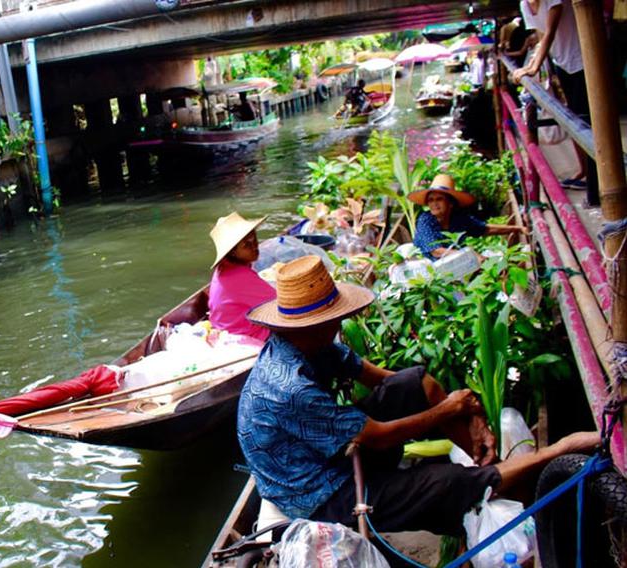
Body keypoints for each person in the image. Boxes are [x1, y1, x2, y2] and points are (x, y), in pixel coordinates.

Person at [236, 254, 599, 537]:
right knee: (446, 482)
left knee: (417, 383)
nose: (340, 323)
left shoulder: (314, 343)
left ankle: (490, 468)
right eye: (334, 317)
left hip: (329, 453)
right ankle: (561, 449)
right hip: (316, 493)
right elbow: (376, 437)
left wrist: (466, 410)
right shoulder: (289, 387)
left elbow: (384, 378)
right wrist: (447, 410)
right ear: (313, 323)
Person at [513, 0, 598, 203]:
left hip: (582, 57)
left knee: (587, 122)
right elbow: (541, 37)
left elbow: (550, 32)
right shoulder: (525, 4)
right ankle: (589, 177)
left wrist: (533, 68)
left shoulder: (553, 1)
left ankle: (596, 188)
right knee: (576, 119)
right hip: (562, 62)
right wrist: (535, 66)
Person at [412, 174, 528, 260]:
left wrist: (518, 228)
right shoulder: (425, 220)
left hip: (454, 262)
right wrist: (472, 256)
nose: (434, 204)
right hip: (426, 266)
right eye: (431, 200)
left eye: (439, 199)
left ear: (450, 203)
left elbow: (485, 229)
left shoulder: (458, 218)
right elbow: (436, 251)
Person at [208, 212, 276, 343]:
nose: (255, 246)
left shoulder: (224, 269)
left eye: (254, 239)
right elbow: (283, 303)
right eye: (246, 245)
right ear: (232, 252)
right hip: (247, 337)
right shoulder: (239, 277)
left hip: (227, 330)